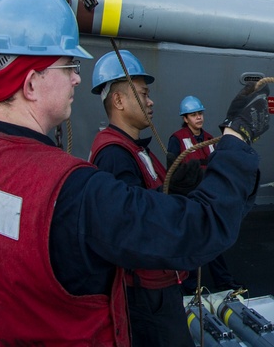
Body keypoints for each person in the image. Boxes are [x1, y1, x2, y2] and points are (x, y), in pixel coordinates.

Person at [0, 0, 268, 345]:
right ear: (32, 84)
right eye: (68, 66)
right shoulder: (72, 189)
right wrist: (237, 139)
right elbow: (197, 230)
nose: (77, 78)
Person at [89, 50, 202, 347]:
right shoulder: (114, 155)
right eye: (143, 94)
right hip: (145, 293)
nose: (151, 102)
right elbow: (128, 224)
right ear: (119, 101)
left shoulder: (136, 149)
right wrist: (173, 192)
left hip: (159, 284)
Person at [168, 95, 242, 294]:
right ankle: (191, 286)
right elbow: (173, 170)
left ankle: (224, 282)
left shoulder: (210, 138)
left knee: (212, 240)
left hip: (208, 196)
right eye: (194, 115)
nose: (198, 117)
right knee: (193, 241)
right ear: (185, 118)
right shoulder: (177, 139)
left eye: (200, 113)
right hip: (188, 197)